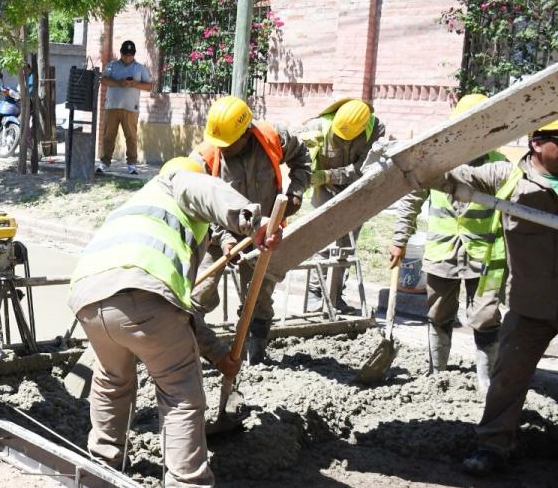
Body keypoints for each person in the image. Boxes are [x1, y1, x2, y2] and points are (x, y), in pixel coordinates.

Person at [70, 157, 279, 484]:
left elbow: (178, 315)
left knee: (112, 380)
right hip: (142, 295)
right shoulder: (177, 182)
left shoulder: (137, 207)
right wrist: (252, 221)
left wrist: (220, 355)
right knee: (179, 392)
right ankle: (186, 481)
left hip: (89, 298)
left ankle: (102, 465)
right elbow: (204, 189)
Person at [433, 119, 558, 476]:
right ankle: (492, 447)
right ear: (537, 143)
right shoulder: (507, 177)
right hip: (531, 303)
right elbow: (448, 176)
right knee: (508, 377)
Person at [389, 94, 504, 389]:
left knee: (486, 315)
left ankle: (486, 378)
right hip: (442, 252)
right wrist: (399, 239)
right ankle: (436, 373)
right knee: (439, 312)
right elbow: (410, 200)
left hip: (485, 256)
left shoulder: (499, 165)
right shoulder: (435, 163)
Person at [191, 95, 311, 364]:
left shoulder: (273, 136)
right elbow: (198, 203)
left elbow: (303, 157)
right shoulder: (206, 156)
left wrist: (297, 192)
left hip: (263, 235)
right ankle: (187, 351)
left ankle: (253, 358)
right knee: (198, 294)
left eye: (230, 144)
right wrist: (223, 240)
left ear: (246, 133)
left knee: (258, 299)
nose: (224, 148)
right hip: (218, 235)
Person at [298, 98, 387, 313]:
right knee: (322, 243)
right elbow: (293, 155)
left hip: (356, 191)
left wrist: (329, 175)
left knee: (345, 246)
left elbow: (365, 168)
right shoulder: (317, 126)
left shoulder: (375, 129)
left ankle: (335, 297)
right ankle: (314, 295)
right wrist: (305, 147)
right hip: (323, 192)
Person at [97, 40, 151, 176]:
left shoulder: (140, 68)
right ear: (121, 53)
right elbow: (103, 79)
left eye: (130, 54)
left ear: (134, 54)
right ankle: (105, 163)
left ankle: (132, 165)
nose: (128, 57)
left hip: (131, 108)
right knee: (108, 136)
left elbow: (149, 86)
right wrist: (118, 83)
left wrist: (134, 84)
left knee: (131, 137)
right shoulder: (112, 66)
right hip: (112, 107)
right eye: (125, 54)